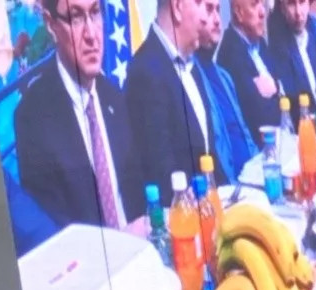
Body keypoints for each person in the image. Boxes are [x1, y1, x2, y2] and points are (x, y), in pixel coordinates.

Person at [15, 0, 145, 233]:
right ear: (51, 24)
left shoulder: (115, 98)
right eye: (76, 17)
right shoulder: (32, 119)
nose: (91, 35)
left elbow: (137, 200)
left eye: (95, 13)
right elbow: (56, 235)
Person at [125, 0, 221, 194]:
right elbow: (162, 174)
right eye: (200, 4)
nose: (207, 18)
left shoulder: (193, 66)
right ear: (177, 7)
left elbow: (208, 153)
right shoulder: (145, 73)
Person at [195, 0, 257, 179]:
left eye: (218, 10)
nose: (217, 20)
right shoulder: (192, 77)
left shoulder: (224, 76)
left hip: (252, 177)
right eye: (209, 10)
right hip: (227, 186)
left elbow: (244, 133)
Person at [214, 0, 282, 135]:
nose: (262, 12)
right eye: (255, 4)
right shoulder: (230, 54)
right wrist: (277, 94)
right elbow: (262, 118)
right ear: (238, 13)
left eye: (262, 4)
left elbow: (281, 89)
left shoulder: (260, 43)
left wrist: (274, 89)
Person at [266, 0, 316, 110]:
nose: (298, 12)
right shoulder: (277, 49)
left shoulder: (315, 30)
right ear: (282, 8)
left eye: (302, 2)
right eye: (291, 4)